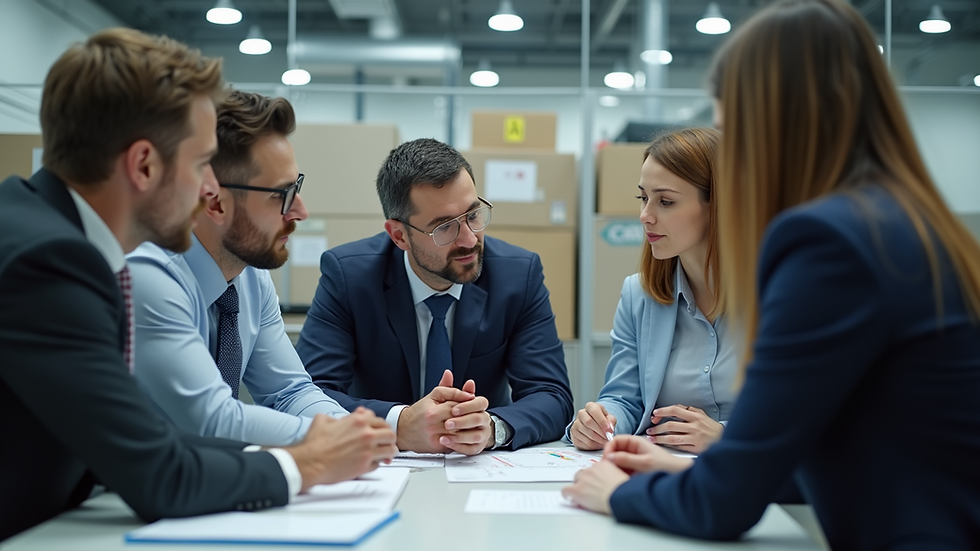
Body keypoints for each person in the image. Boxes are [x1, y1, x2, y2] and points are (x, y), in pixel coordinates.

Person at [562, 1, 980, 548]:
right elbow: (822, 450)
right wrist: (681, 469)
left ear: (771, 122)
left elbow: (725, 504)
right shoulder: (908, 222)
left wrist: (613, 494)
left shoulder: (826, 241)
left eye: (732, 126)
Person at [0, 29, 396, 542]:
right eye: (198, 164)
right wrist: (309, 461)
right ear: (144, 165)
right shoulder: (51, 263)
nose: (209, 189)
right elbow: (160, 471)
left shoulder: (49, 234)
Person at [296, 138, 573, 455]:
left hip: (479, 469)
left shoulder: (517, 276)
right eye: (444, 227)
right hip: (381, 464)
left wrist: (492, 428)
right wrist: (399, 423)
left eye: (473, 215)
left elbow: (552, 395)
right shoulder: (349, 277)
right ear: (399, 235)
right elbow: (309, 393)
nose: (469, 240)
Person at [128, 90, 356, 447]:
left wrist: (352, 431)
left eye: (296, 187)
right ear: (215, 202)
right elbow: (211, 419)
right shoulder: (148, 277)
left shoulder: (249, 277)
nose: (300, 211)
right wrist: (341, 438)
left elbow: (290, 392)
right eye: (279, 195)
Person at [567, 128, 734, 455]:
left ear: (719, 204)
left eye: (666, 201)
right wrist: (602, 421)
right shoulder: (638, 295)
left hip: (766, 486)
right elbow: (625, 398)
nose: (645, 216)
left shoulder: (778, 292)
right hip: (669, 478)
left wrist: (726, 436)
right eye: (643, 198)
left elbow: (808, 412)